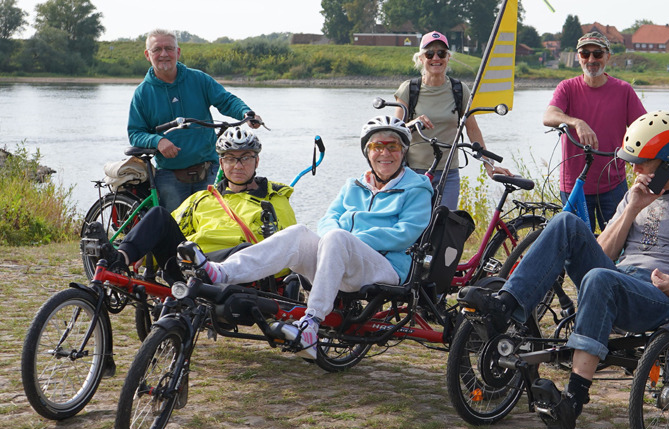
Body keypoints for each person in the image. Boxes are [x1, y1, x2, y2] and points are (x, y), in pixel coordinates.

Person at [458, 111, 669, 429]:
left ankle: (572, 401)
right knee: (565, 223)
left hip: (661, 297)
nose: (634, 170)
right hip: (618, 278)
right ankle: (505, 306)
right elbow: (602, 249)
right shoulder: (635, 195)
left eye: (642, 163)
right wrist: (632, 208)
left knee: (602, 278)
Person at [180, 116, 434, 359]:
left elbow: (405, 235)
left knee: (337, 237)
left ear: (404, 151)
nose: (385, 153)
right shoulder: (353, 185)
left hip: (385, 267)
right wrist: (333, 243)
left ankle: (311, 324)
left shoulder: (417, 187)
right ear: (367, 151)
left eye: (393, 146)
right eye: (377, 146)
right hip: (339, 257)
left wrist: (347, 239)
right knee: (298, 233)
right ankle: (221, 273)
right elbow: (327, 219)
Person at [95, 128, 295, 282]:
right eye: (230, 158)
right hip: (189, 264)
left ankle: (206, 263)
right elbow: (171, 232)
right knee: (159, 215)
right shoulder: (203, 198)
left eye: (245, 158)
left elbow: (286, 249)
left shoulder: (274, 198)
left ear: (257, 161)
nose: (238, 165)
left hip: (238, 270)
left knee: (243, 249)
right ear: (221, 162)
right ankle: (119, 259)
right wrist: (147, 256)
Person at [127, 29, 263, 212]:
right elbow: (135, 133)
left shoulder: (198, 79)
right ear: (147, 55)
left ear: (178, 52)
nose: (164, 54)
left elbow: (226, 100)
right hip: (170, 175)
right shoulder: (142, 93)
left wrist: (246, 113)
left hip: (210, 168)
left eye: (169, 48)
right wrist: (158, 141)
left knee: (218, 221)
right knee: (175, 229)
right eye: (157, 49)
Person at [541, 31, 648, 230]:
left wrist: (643, 164)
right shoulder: (567, 88)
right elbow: (549, 116)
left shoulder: (623, 90)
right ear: (578, 57)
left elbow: (643, 129)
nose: (591, 59)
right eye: (585, 54)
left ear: (608, 56)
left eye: (598, 54)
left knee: (620, 243)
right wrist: (576, 122)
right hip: (575, 185)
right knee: (577, 248)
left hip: (613, 182)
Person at [393, 30, 494, 210]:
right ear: (421, 58)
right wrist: (413, 124)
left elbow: (472, 130)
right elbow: (394, 131)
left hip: (449, 172)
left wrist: (488, 163)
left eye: (441, 53)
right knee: (416, 228)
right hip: (414, 172)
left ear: (448, 58)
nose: (436, 58)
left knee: (444, 228)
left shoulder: (459, 89)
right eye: (430, 53)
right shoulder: (409, 89)